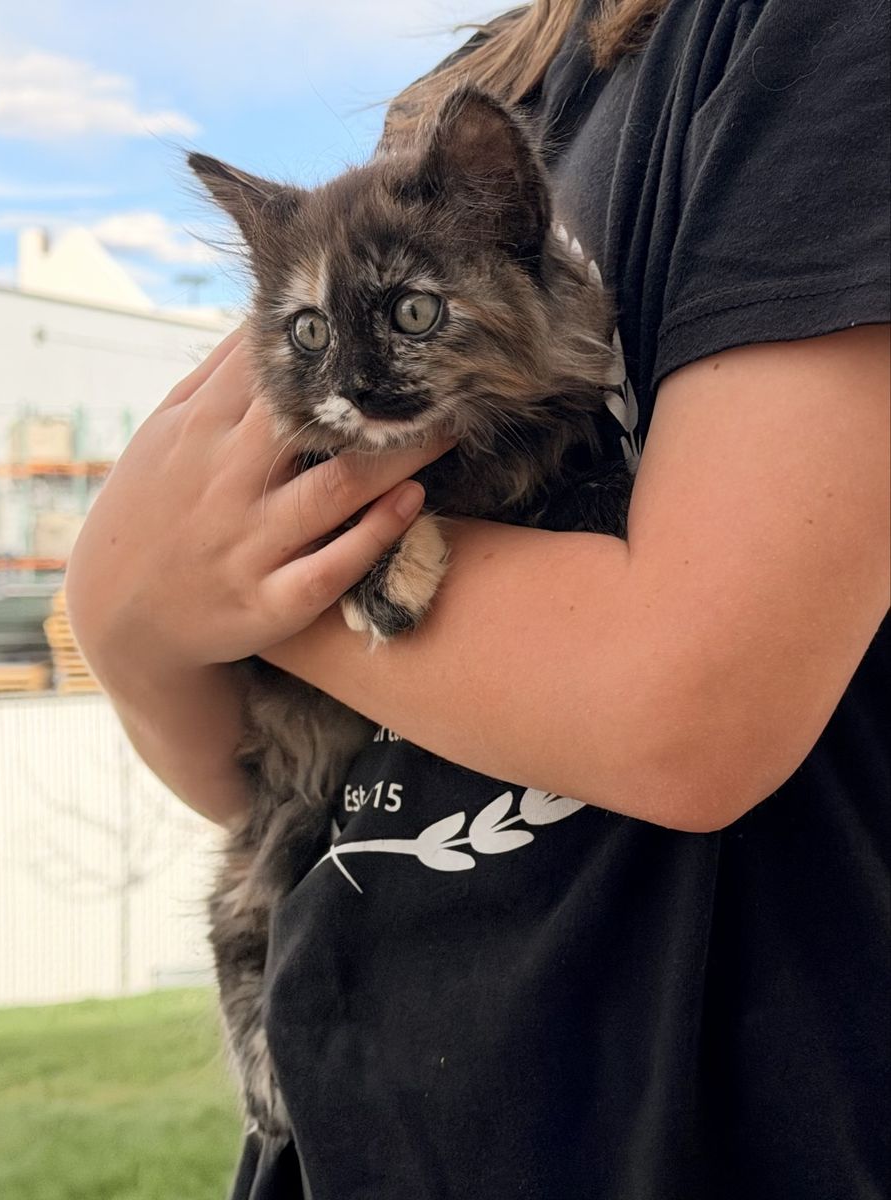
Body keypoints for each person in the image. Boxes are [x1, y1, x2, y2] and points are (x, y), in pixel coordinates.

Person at [66, 0, 890, 1196]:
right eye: (312, 334)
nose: (354, 377)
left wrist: (197, 590)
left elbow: (688, 703)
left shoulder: (813, 39)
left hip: (675, 1125)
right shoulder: (475, 84)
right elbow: (259, 784)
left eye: (405, 318)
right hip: (338, 1124)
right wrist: (131, 633)